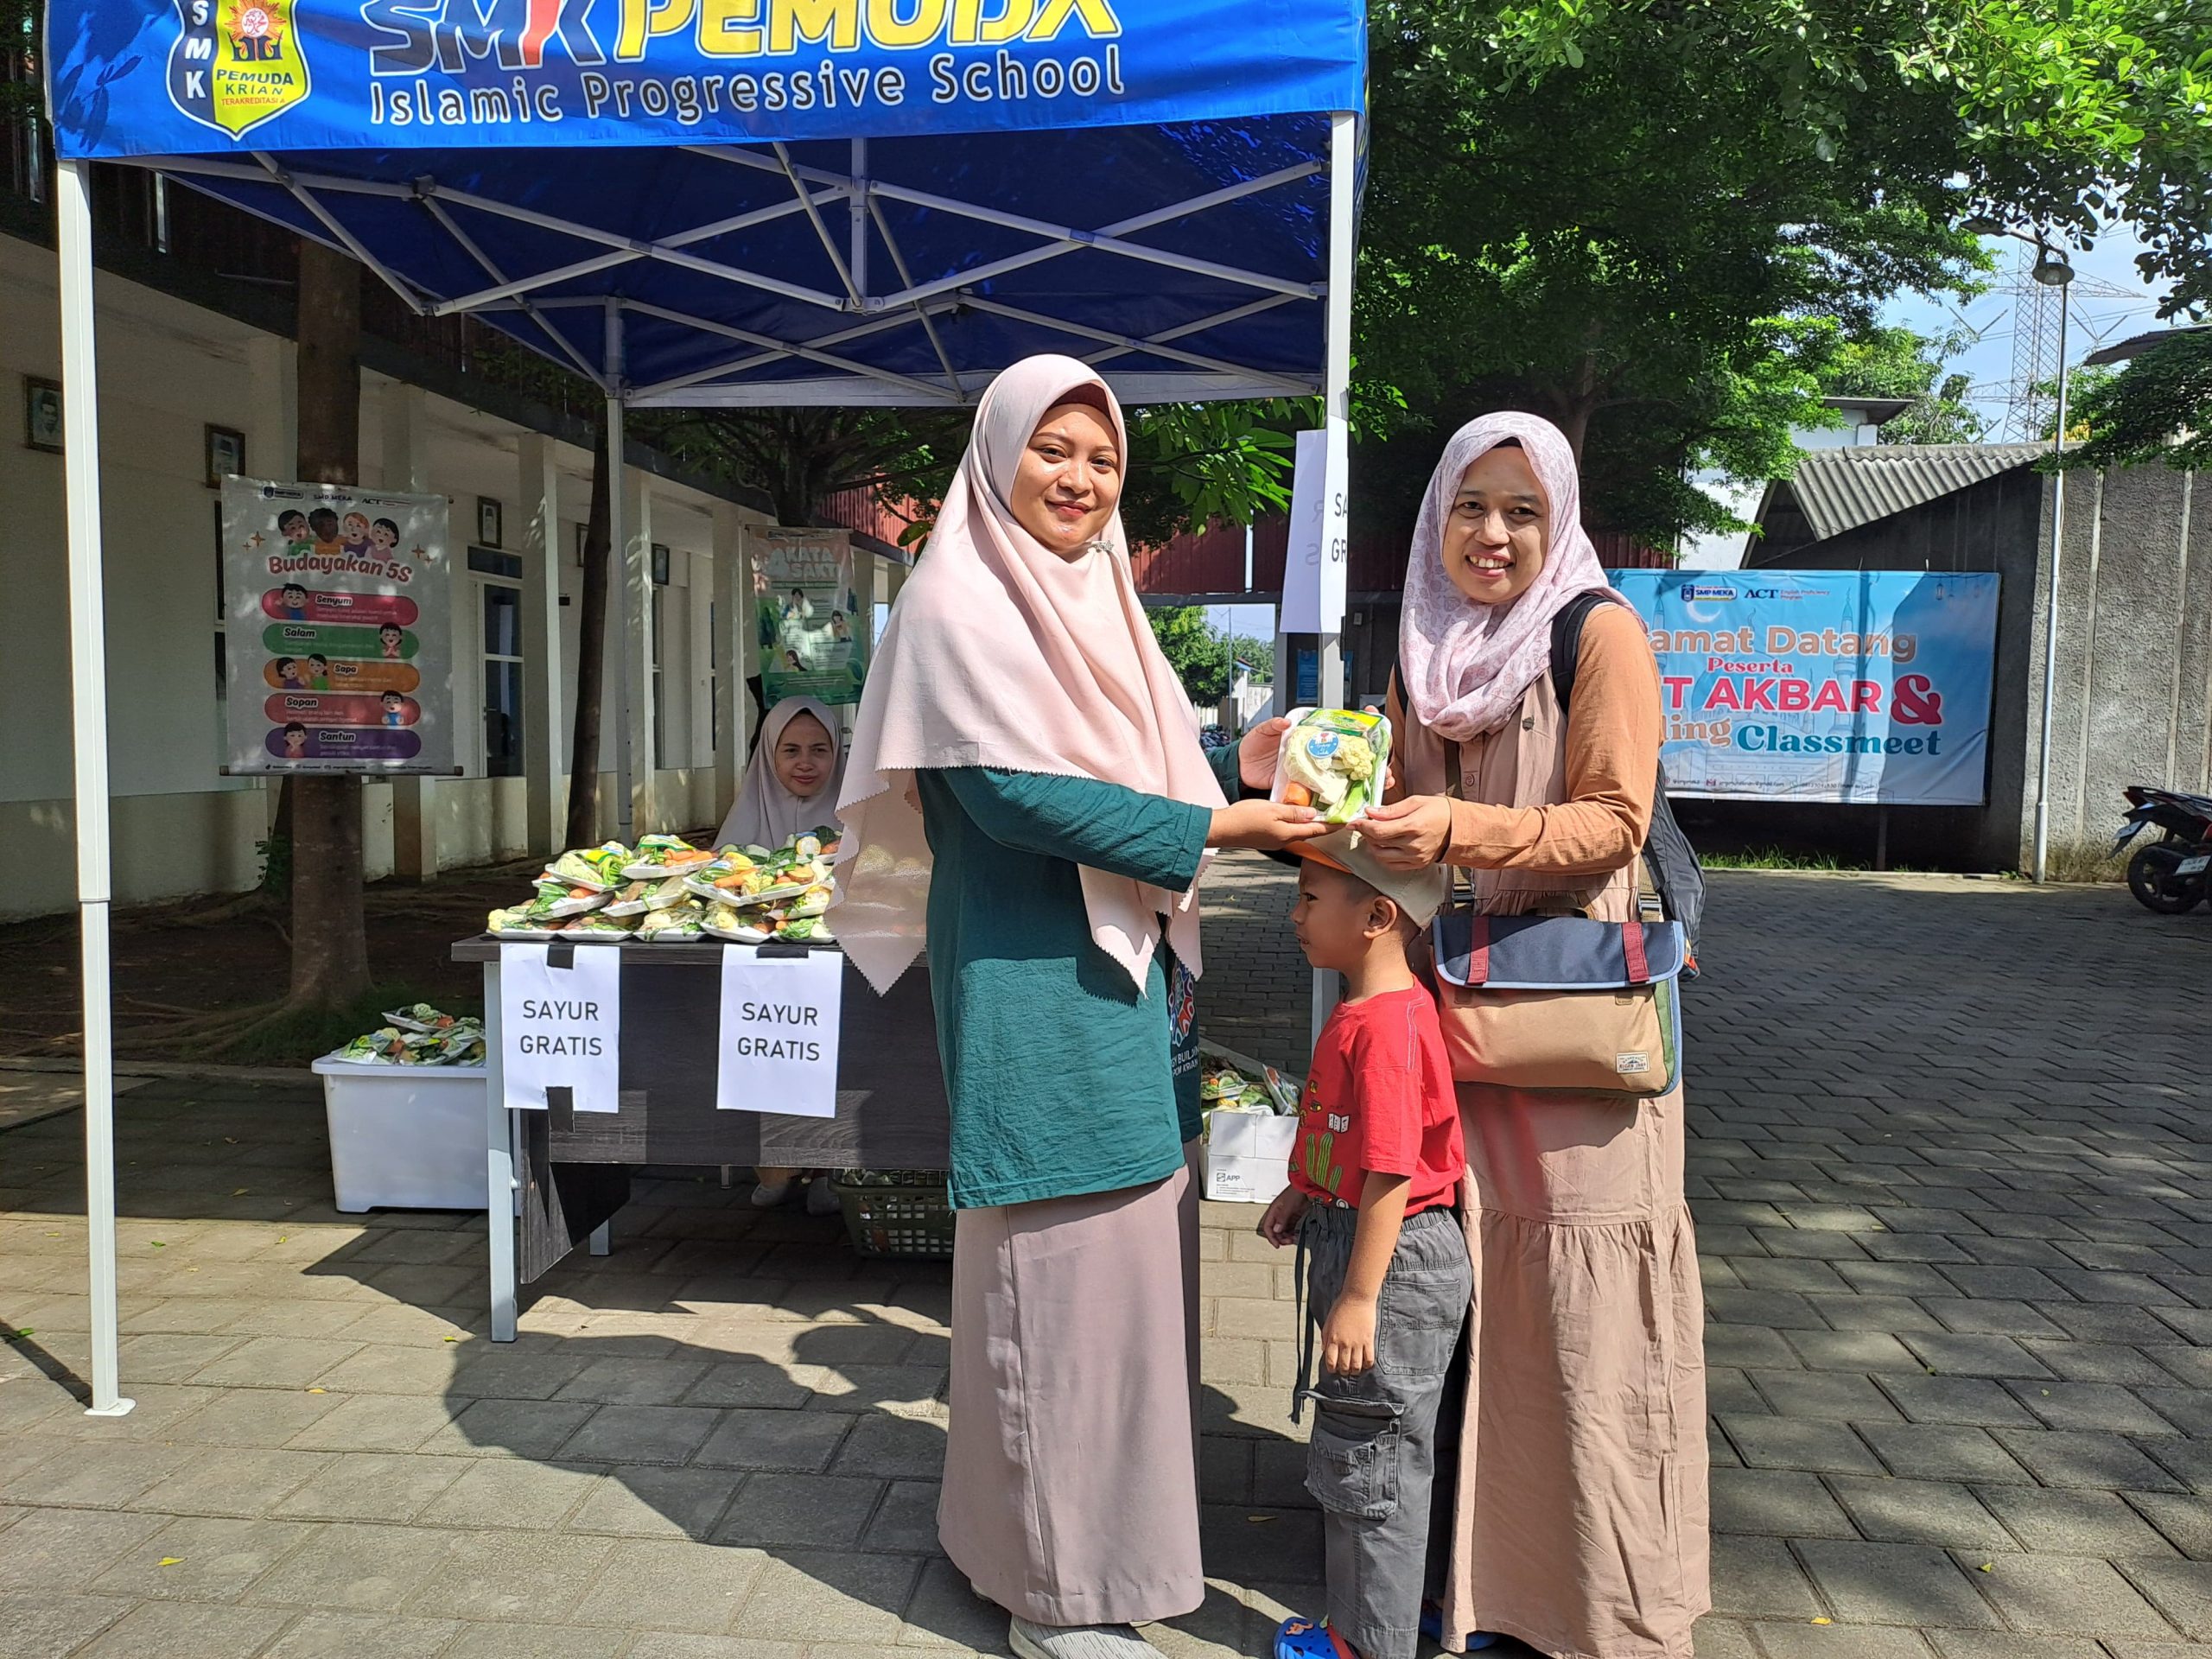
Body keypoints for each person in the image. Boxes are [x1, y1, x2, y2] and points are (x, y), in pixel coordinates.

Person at [834, 354, 1322, 1659]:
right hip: (1034, 983)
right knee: (1056, 1284)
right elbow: (1010, 790)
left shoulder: (1093, 598)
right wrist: (1221, 819)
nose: (1081, 479)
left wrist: (1235, 761)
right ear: (997, 454)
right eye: (1055, 449)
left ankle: (1072, 1547)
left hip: (1124, 983)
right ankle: (1058, 1594)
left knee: (1121, 1291)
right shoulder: (957, 606)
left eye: (1103, 460)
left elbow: (1128, 767)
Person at [1355, 413, 1708, 1659]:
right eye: (1470, 506)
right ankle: (1471, 1594)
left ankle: (1593, 1607)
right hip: (1451, 1034)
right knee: (1467, 1321)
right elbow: (1386, 825)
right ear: (1435, 516)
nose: (1491, 535)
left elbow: (1612, 821)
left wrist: (1457, 829)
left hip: (1570, 1043)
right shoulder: (1416, 644)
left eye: (1522, 512)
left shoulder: (1597, 631)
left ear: (1558, 526)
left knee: (1580, 1328)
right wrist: (1323, 789)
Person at [1259, 849, 1469, 1659]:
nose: (1295, 915)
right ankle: (1391, 1615)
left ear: (1379, 917)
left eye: (1310, 899)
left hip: (1390, 1259)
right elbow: (1351, 1139)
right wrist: (1307, 1190)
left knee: (1368, 1462)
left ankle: (1364, 1644)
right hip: (1368, 1238)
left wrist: (1358, 1295)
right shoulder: (1375, 1011)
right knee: (1381, 1445)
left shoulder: (1385, 1028)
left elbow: (1392, 1168)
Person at [715, 695, 849, 1216]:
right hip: (761, 979)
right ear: (768, 756)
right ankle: (776, 1165)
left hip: (840, 972)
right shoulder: (745, 817)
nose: (805, 763)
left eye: (820, 749)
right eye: (790, 749)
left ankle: (833, 1166)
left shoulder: (863, 816)